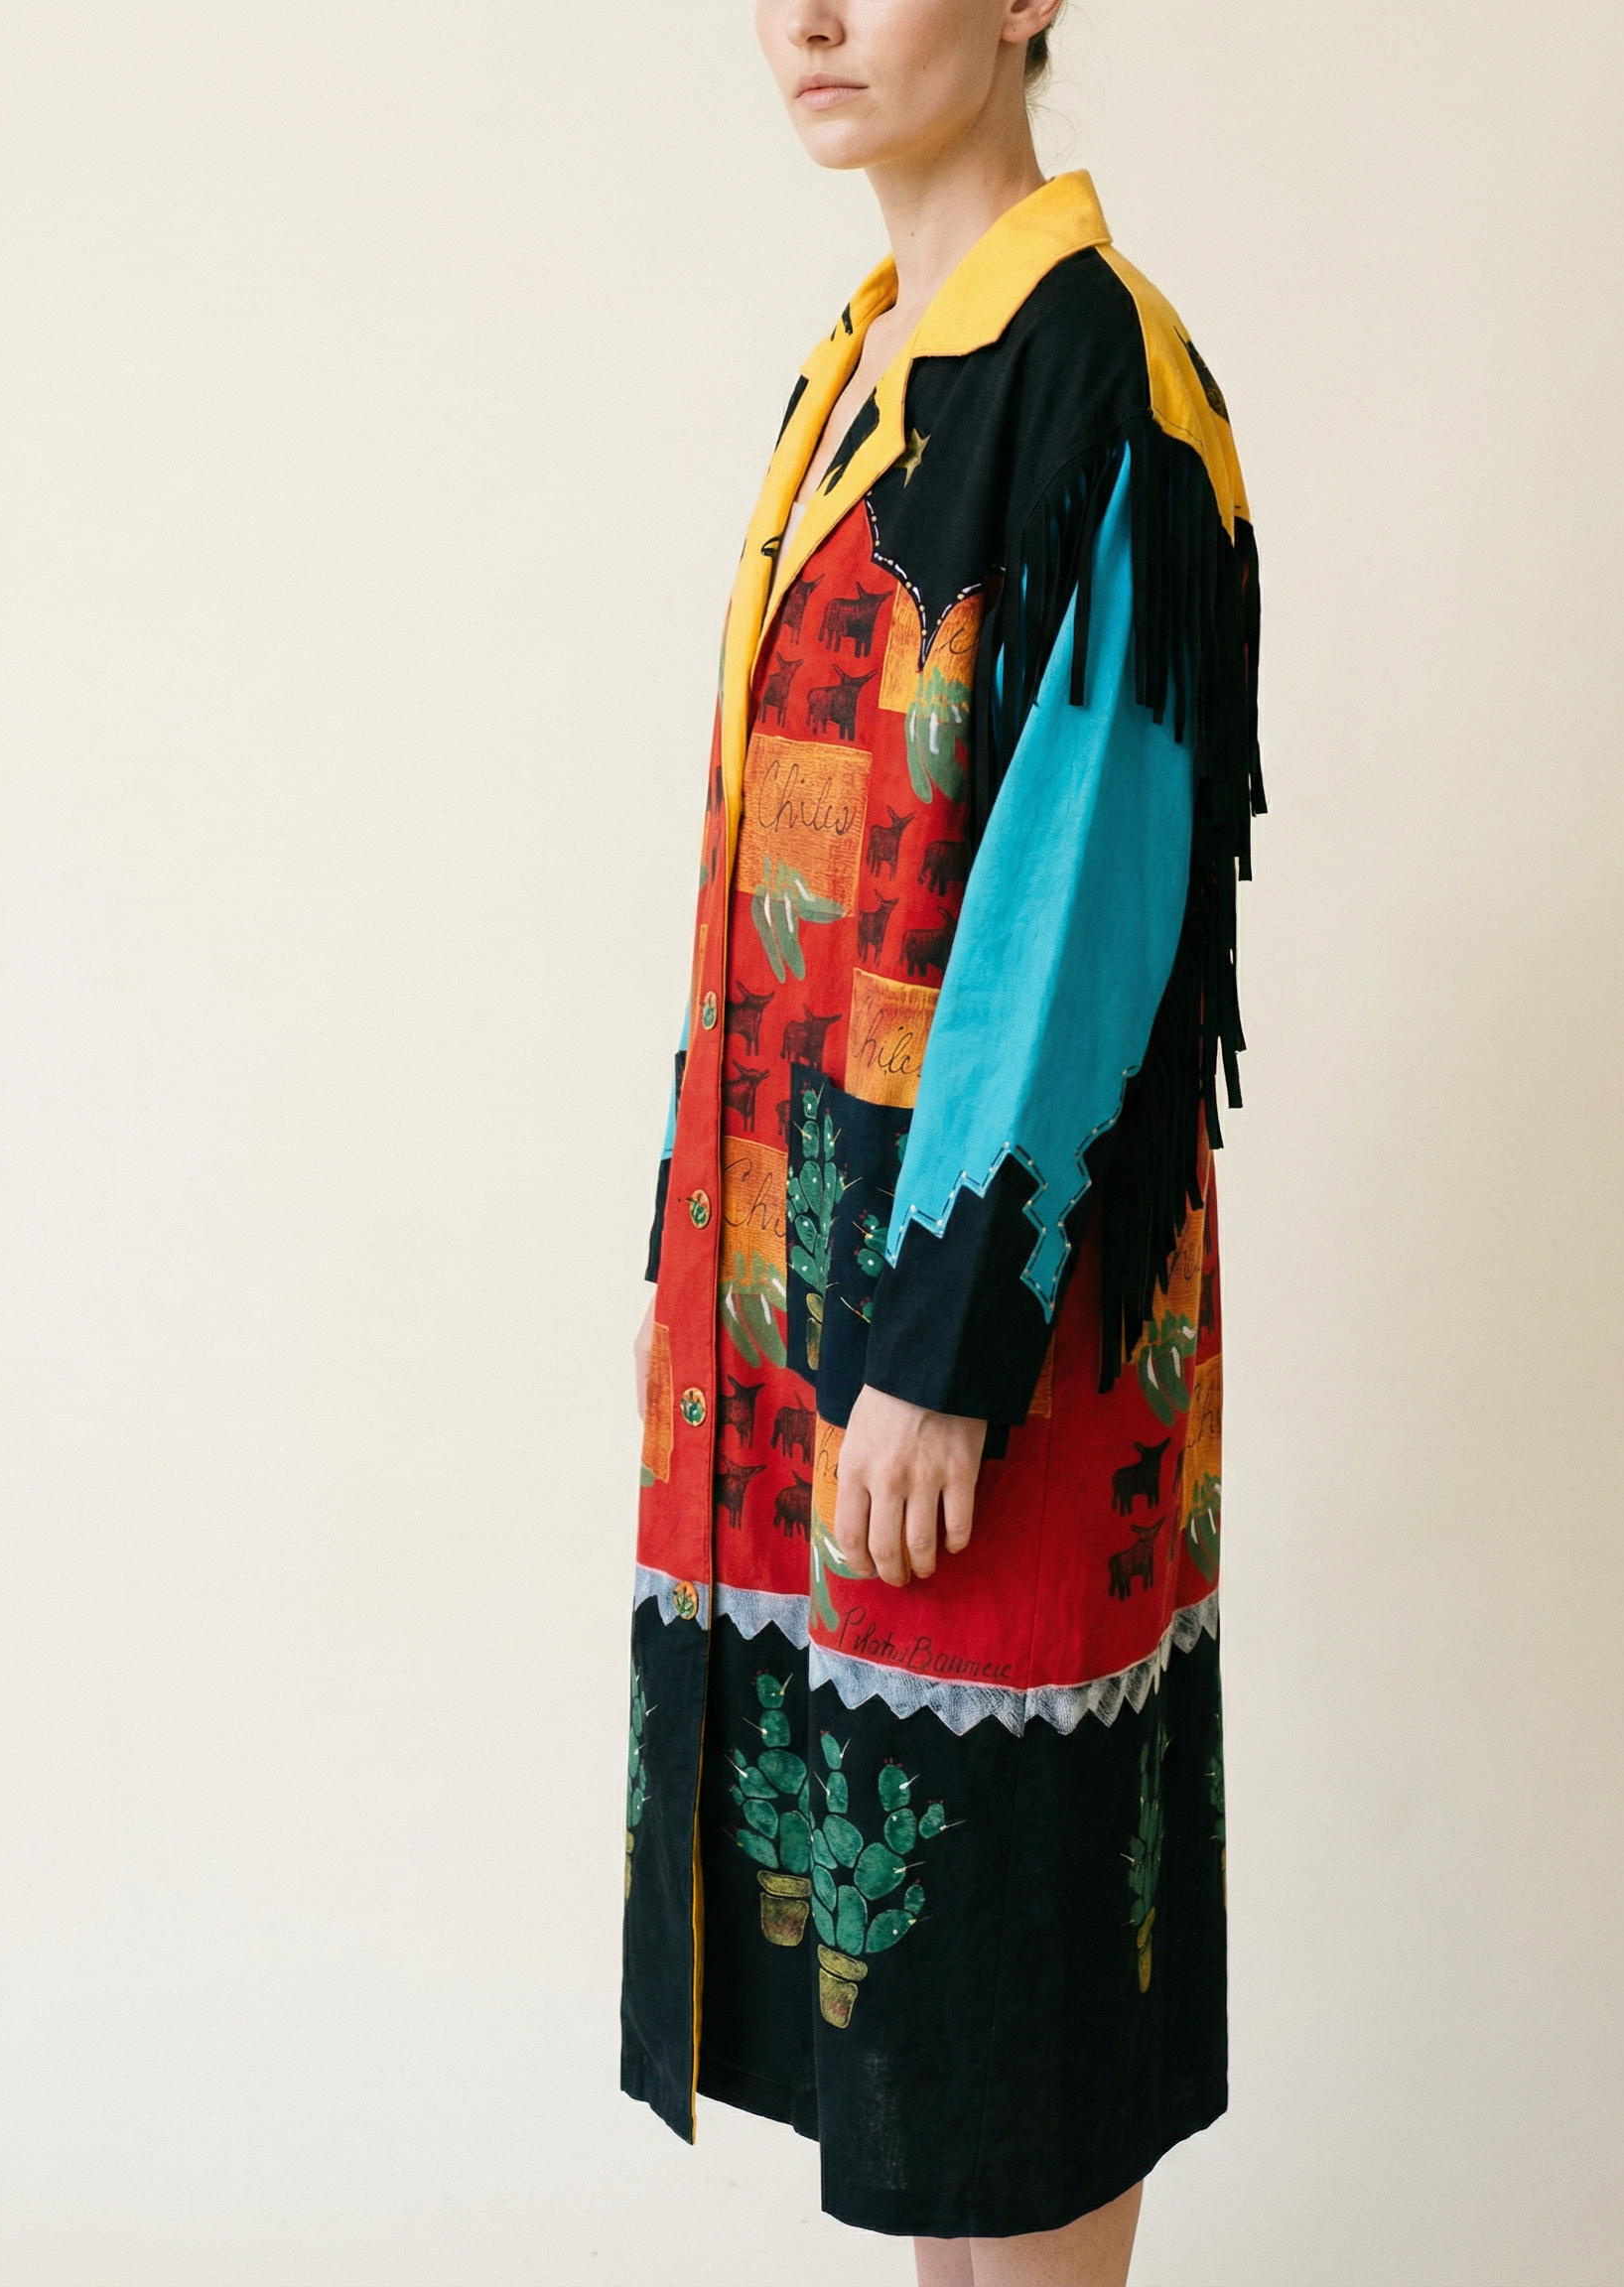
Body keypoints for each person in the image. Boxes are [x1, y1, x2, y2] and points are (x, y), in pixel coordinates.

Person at [621, 5, 1262, 2280]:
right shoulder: (856, 371)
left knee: (1016, 2037)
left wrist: (944, 1345)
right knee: (914, 2083)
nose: (806, 17)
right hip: (806, 1330)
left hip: (980, 1343)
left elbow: (1081, 899)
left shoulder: (1099, 374)